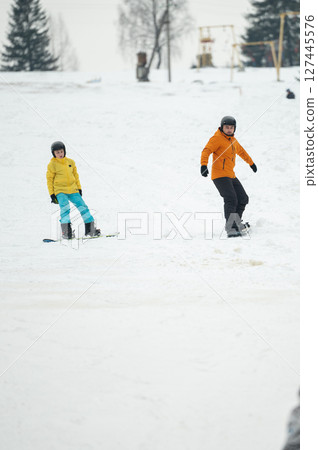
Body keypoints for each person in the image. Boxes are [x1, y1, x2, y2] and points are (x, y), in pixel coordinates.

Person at [200, 116, 257, 237]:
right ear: (222, 127)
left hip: (230, 175)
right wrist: (203, 165)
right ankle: (231, 228)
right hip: (219, 175)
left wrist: (251, 163)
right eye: (227, 127)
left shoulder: (233, 141)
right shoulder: (217, 138)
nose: (229, 130)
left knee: (243, 198)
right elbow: (206, 151)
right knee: (231, 198)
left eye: (231, 128)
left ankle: (236, 223)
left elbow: (241, 152)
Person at [46, 141, 101, 239]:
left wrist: (79, 188)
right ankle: (66, 232)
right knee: (65, 209)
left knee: (83, 207)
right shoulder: (52, 165)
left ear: (64, 151)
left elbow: (76, 176)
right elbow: (49, 180)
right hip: (60, 191)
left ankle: (90, 230)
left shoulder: (70, 162)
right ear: (53, 153)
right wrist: (52, 194)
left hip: (73, 189)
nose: (60, 154)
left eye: (61, 151)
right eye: (57, 152)